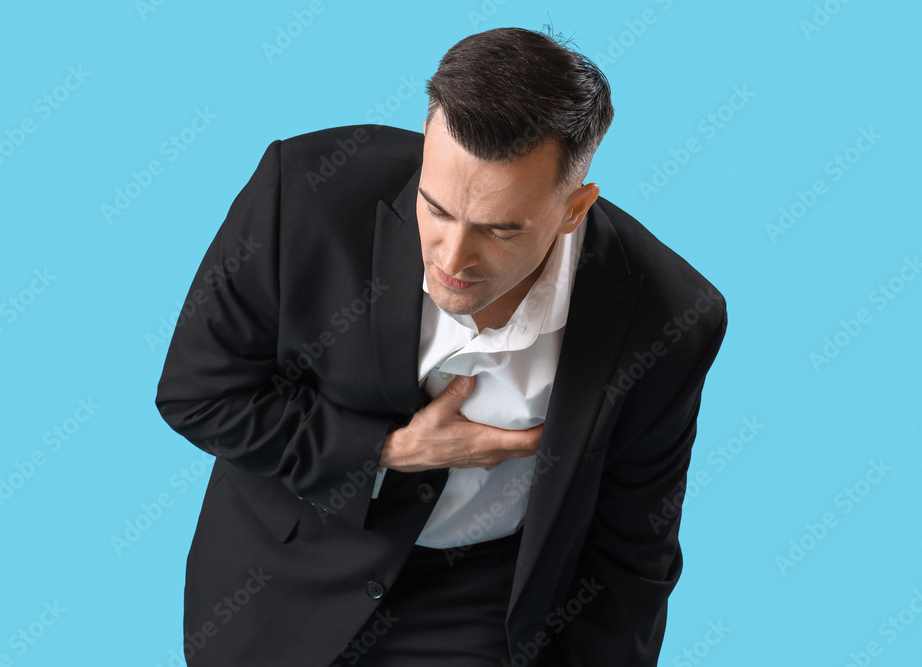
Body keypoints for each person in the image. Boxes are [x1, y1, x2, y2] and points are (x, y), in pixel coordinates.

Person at [155, 26, 727, 667]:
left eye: (499, 230)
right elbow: (200, 394)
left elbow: (633, 553)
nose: (452, 259)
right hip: (285, 577)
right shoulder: (305, 192)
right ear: (426, 142)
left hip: (480, 603)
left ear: (574, 208)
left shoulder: (669, 318)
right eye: (436, 208)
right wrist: (389, 451)